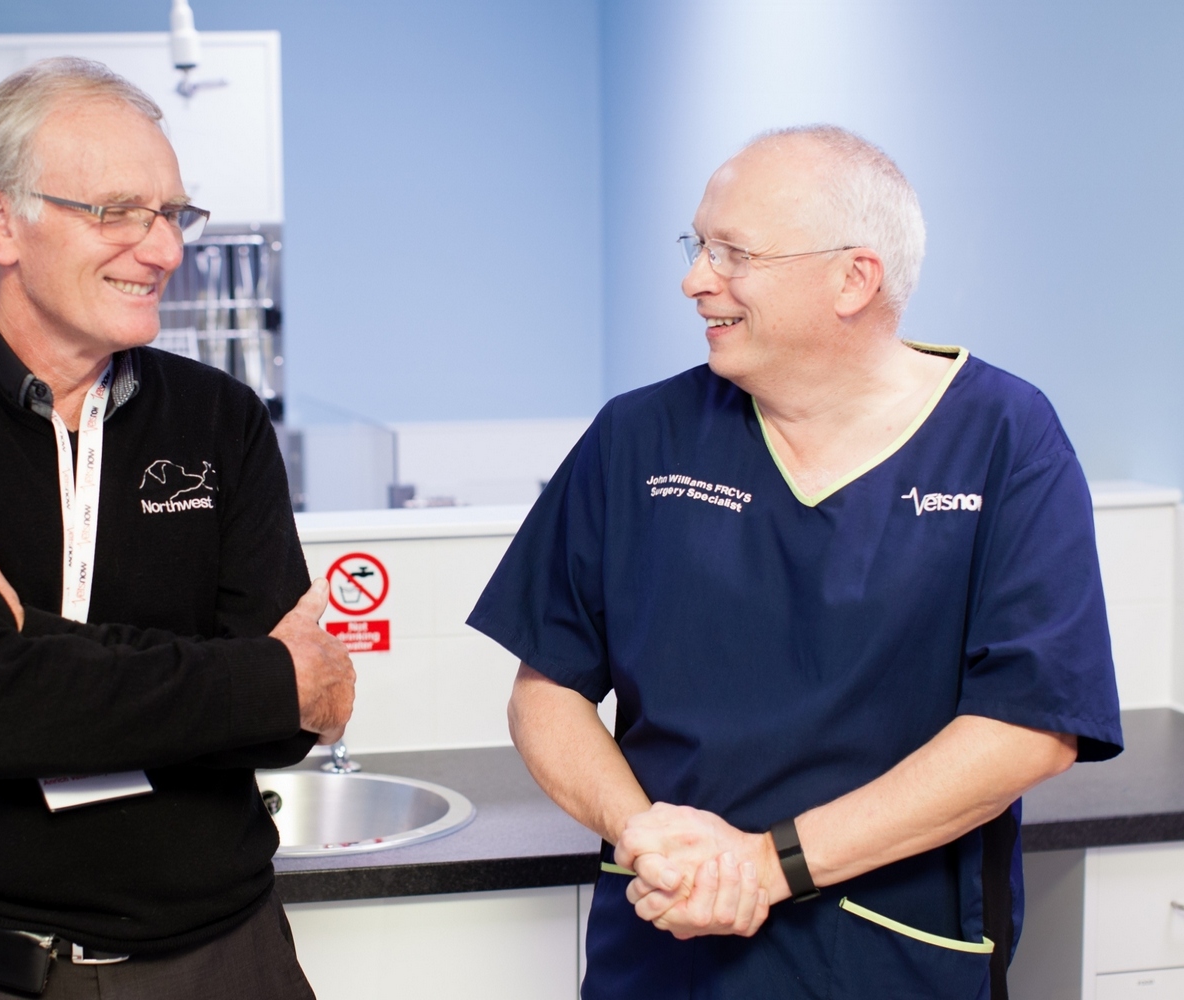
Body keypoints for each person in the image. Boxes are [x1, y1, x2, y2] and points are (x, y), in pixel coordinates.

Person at [467, 125, 1121, 999]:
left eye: (734, 254)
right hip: (667, 946)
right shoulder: (639, 437)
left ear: (854, 278)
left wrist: (768, 866)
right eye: (699, 246)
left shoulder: (1004, 439)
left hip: (895, 958)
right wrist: (643, 832)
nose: (696, 280)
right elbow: (546, 690)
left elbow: (1030, 729)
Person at [0, 58, 354, 999]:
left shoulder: (221, 420)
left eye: (173, 214)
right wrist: (249, 681)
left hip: (223, 959)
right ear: (0, 222)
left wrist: (21, 642)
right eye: (118, 211)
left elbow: (291, 722)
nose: (163, 249)